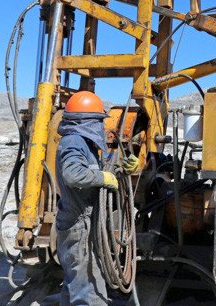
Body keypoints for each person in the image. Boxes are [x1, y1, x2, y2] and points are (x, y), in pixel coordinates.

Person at [54, 91, 138, 305]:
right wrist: (103, 178)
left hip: (81, 224)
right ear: (89, 121)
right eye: (99, 121)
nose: (101, 128)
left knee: (76, 284)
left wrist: (120, 165)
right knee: (89, 290)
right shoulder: (73, 141)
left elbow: (94, 166)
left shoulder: (83, 143)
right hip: (78, 226)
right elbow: (72, 173)